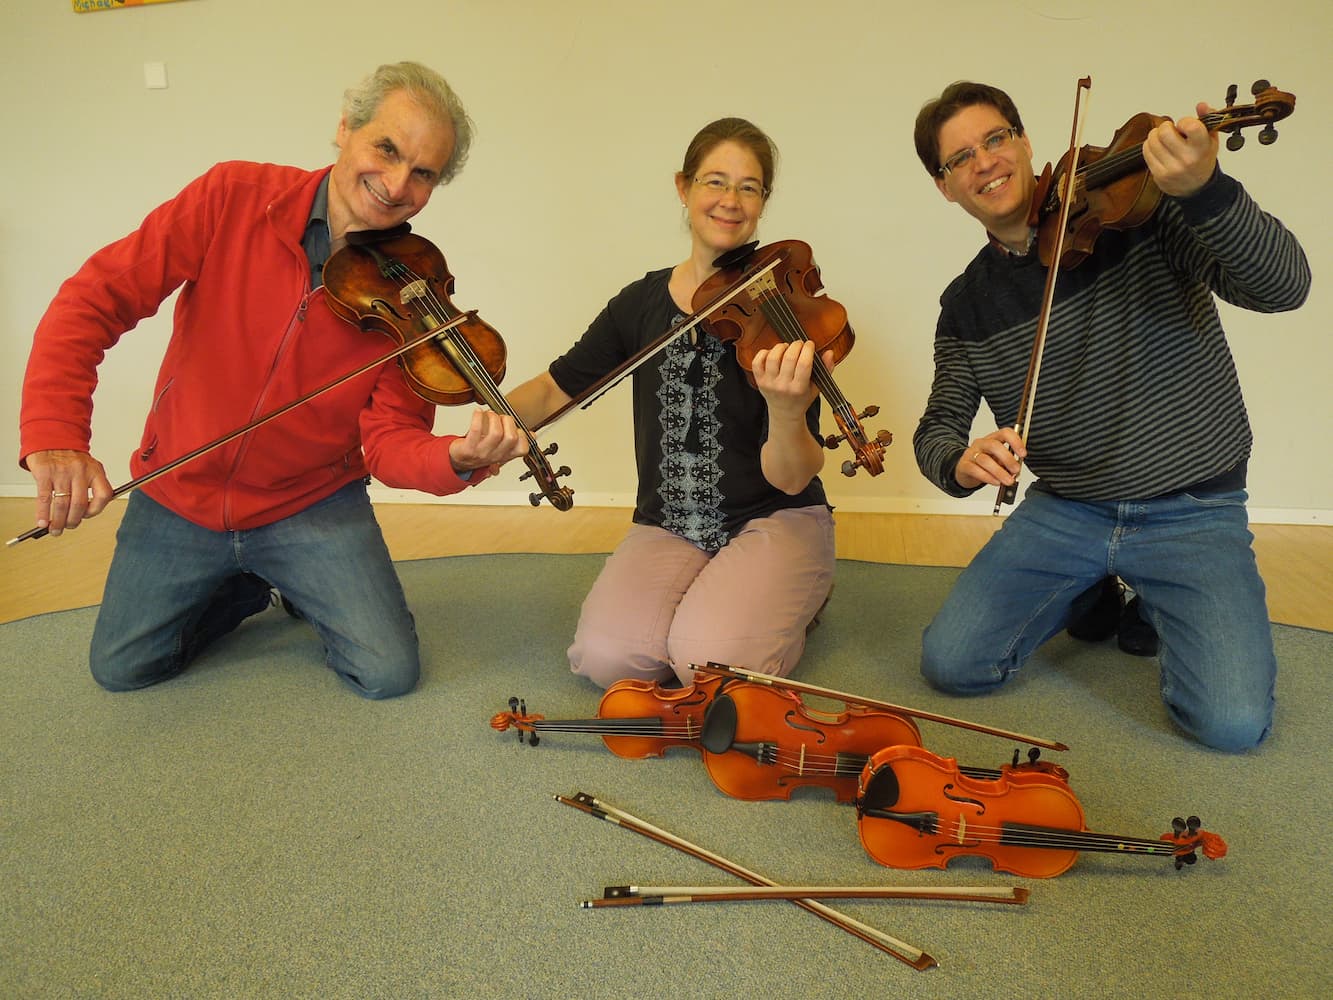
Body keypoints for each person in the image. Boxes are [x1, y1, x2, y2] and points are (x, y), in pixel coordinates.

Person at [18, 61, 527, 698]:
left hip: (310, 501)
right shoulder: (229, 197)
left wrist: (457, 458)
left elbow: (392, 441)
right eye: (386, 149)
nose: (397, 184)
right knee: (122, 669)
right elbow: (92, 301)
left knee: (388, 673)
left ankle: (287, 570)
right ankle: (248, 586)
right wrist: (57, 433)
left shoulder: (414, 290)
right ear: (345, 128)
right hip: (180, 491)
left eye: (423, 173)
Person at [910, 81, 1310, 751]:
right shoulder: (965, 304)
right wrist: (957, 459)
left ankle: (1151, 594)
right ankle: (1092, 586)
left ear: (1024, 143)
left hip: (1192, 508)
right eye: (959, 159)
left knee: (1231, 726)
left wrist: (1204, 190)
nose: (983, 162)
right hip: (1067, 510)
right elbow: (936, 427)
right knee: (952, 665)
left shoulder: (1145, 218)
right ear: (944, 187)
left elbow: (1283, 287)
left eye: (994, 139)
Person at [506, 117, 836, 688]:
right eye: (715, 181)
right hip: (670, 521)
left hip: (773, 515)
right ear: (683, 188)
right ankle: (729, 597)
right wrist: (486, 423)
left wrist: (785, 410)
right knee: (607, 659)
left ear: (763, 203)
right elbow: (554, 387)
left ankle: (799, 592)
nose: (730, 201)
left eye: (749, 187)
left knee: (706, 665)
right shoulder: (638, 303)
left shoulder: (783, 309)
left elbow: (793, 476)